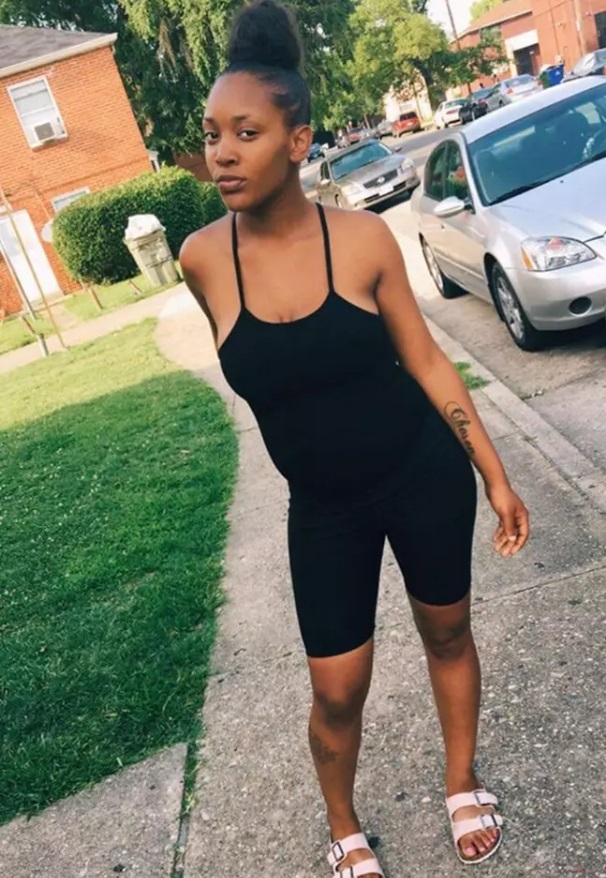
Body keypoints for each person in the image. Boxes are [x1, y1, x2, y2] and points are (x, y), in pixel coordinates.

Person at [180, 2, 530, 874]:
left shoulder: (366, 240)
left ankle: (461, 780)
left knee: (447, 634)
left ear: (298, 142)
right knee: (337, 689)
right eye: (213, 135)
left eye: (247, 133)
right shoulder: (202, 260)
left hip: (421, 475)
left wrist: (495, 475)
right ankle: (342, 825)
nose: (222, 153)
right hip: (324, 509)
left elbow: (430, 363)